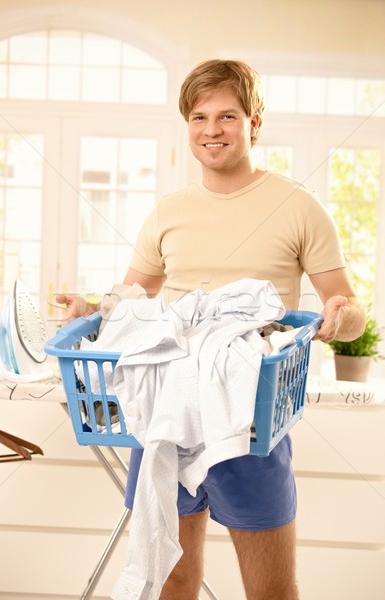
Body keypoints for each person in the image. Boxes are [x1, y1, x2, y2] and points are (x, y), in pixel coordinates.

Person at [56, 59, 366, 600]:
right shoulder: (168, 212)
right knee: (174, 577)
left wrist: (341, 316)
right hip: (166, 414)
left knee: (270, 589)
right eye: (199, 117)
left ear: (255, 122)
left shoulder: (299, 207)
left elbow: (351, 306)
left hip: (250, 416)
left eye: (227, 116)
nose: (211, 130)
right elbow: (130, 299)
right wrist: (91, 308)